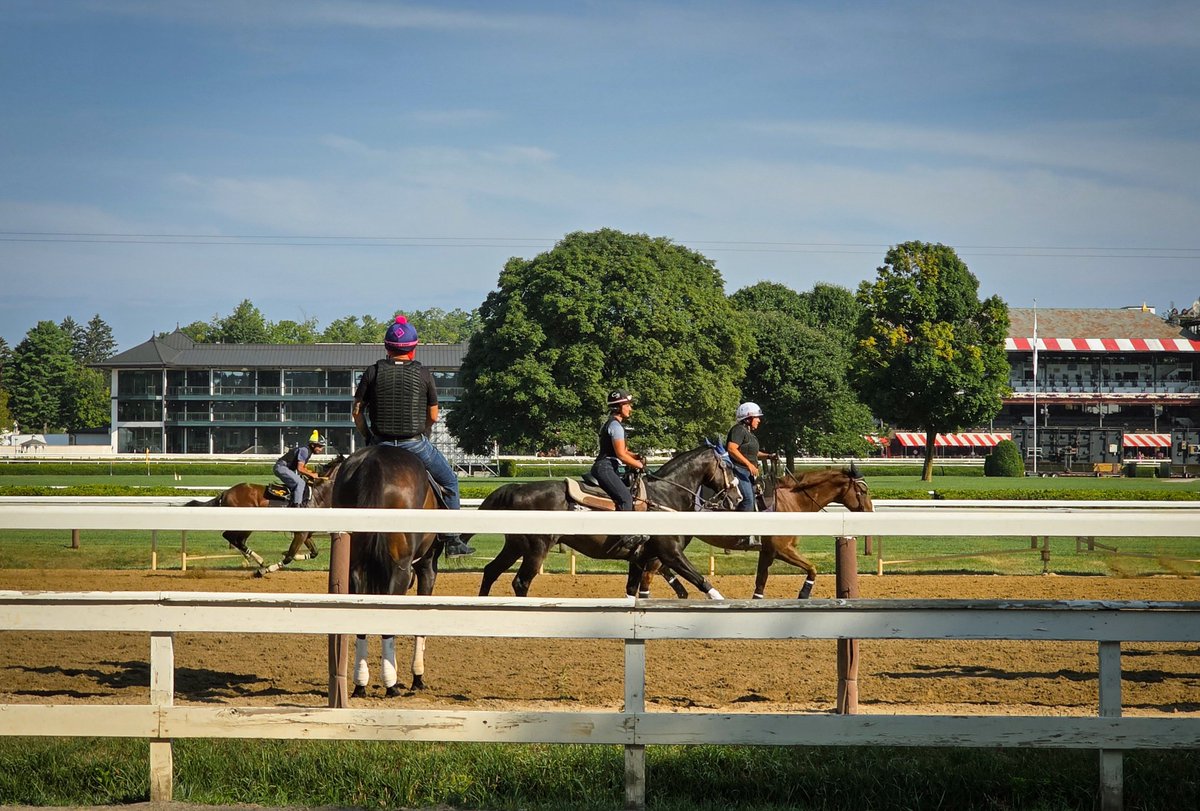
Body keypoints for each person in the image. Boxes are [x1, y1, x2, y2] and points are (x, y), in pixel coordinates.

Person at [353, 314, 475, 559]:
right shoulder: (423, 373)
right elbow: (434, 414)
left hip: (379, 443)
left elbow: (357, 412)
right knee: (450, 482)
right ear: (413, 350)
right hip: (414, 444)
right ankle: (452, 540)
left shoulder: (372, 372)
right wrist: (426, 431)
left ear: (387, 348)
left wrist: (368, 436)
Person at [590, 389, 647, 553]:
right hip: (605, 467)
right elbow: (621, 455)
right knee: (625, 498)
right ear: (619, 406)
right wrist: (640, 466)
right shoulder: (616, 426)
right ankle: (626, 536)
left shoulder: (614, 424)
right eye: (628, 405)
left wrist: (635, 456)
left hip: (607, 466)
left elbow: (623, 451)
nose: (630, 408)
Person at [726, 402, 778, 548]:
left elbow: (753, 453)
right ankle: (741, 537)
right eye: (757, 417)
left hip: (748, 473)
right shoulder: (738, 430)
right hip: (738, 471)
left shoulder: (749, 434)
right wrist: (749, 465)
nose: (759, 420)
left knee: (757, 500)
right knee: (748, 500)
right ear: (748, 418)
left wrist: (768, 456)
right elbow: (732, 449)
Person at [274, 430, 327, 507]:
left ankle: (292, 500)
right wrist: (312, 474)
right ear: (312, 445)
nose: (321, 449)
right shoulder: (304, 451)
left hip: (286, 468)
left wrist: (311, 473)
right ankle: (297, 505)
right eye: (319, 446)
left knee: (303, 482)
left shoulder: (308, 452)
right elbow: (300, 469)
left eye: (322, 447)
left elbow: (303, 468)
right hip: (281, 467)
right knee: (300, 483)